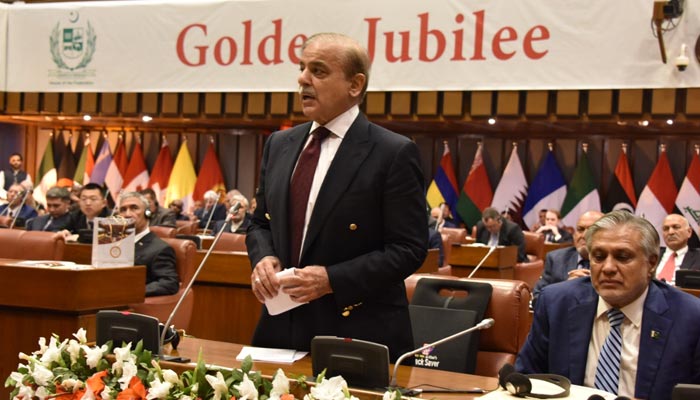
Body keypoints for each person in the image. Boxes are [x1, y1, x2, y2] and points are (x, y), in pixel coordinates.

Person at [246, 32, 427, 361]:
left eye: (318, 71)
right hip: (280, 327)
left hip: (357, 329)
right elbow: (259, 222)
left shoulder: (393, 152)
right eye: (302, 68)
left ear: (355, 85)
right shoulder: (279, 144)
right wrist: (262, 256)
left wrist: (331, 279)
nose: (302, 79)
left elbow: (409, 249)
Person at [516, 210, 700, 400]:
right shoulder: (556, 303)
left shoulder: (691, 317)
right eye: (599, 256)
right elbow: (525, 379)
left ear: (651, 264)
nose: (608, 268)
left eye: (623, 257)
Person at [532, 210, 604, 303]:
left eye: (592, 230)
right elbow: (537, 297)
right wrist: (566, 289)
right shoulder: (556, 259)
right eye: (580, 229)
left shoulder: (614, 264)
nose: (584, 235)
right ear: (574, 235)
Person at [117, 191, 179, 297]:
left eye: (134, 208)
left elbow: (169, 283)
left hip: (128, 303)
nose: (127, 214)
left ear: (147, 213)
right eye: (123, 210)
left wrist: (131, 292)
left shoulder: (160, 249)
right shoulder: (112, 244)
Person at [655, 213, 700, 284]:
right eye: (666, 229)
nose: (670, 232)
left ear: (689, 232)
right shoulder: (651, 254)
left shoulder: (698, 257)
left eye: (676, 227)